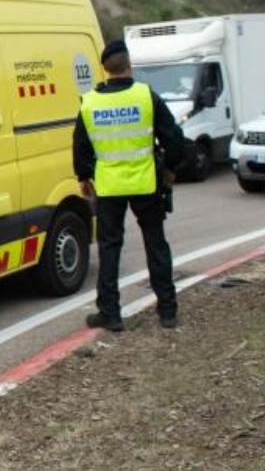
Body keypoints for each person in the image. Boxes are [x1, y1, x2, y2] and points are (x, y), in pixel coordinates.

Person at [73, 40, 186, 331]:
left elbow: (80, 148)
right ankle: (168, 312)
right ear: (129, 65)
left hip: (109, 187)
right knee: (156, 244)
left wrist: (84, 178)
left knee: (110, 248)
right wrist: (170, 169)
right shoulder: (146, 96)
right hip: (146, 182)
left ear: (104, 69)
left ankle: (110, 314)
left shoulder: (89, 103)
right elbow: (174, 138)